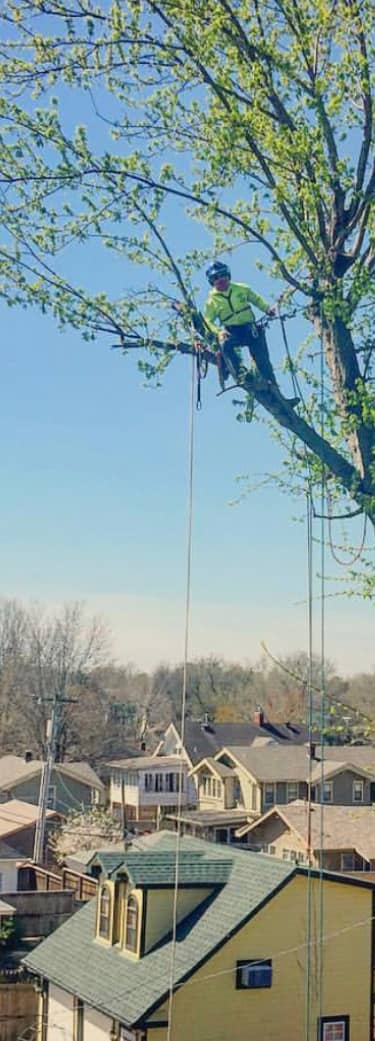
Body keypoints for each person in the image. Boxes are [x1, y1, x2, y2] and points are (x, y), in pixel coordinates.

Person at [203, 261, 298, 403]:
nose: (220, 280)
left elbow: (256, 299)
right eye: (216, 278)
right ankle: (240, 374)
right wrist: (218, 332)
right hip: (232, 331)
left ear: (228, 276)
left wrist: (267, 309)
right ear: (212, 281)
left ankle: (280, 397)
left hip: (250, 329)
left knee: (264, 362)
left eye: (222, 276)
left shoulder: (241, 289)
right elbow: (208, 321)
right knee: (226, 345)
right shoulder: (211, 301)